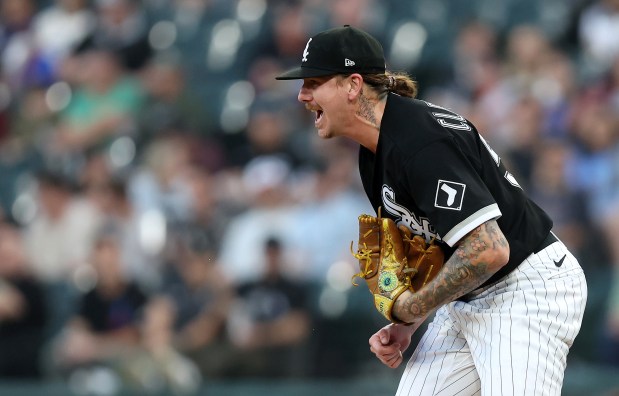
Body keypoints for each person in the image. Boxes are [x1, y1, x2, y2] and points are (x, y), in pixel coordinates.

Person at [275, 25, 588, 395]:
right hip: (469, 294)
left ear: (353, 85)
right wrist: (409, 323)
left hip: (523, 288)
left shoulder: (419, 141)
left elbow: (489, 249)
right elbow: (433, 250)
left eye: (313, 82)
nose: (302, 95)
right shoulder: (374, 151)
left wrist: (411, 308)